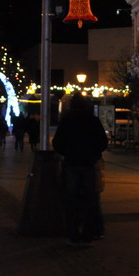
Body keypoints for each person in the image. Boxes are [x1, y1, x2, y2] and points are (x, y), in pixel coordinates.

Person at [52, 95, 108, 247]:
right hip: (88, 163)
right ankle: (88, 233)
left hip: (71, 163)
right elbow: (102, 142)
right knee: (90, 199)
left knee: (71, 199)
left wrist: (67, 152)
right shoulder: (92, 120)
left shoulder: (67, 120)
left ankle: (73, 233)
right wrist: (93, 154)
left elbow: (57, 143)